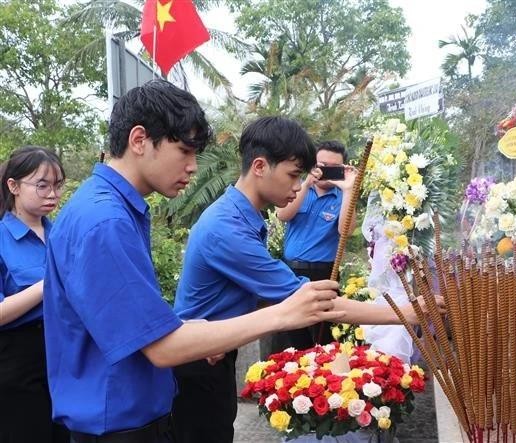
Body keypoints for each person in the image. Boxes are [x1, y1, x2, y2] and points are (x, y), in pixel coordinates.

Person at [42, 80, 342, 442]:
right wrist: (283, 313)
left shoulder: (109, 208)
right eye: (184, 151)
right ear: (139, 140)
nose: (193, 167)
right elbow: (163, 347)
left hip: (130, 410)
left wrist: (198, 331)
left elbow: (129, 317)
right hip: (119, 421)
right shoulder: (104, 221)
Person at [172, 116, 436, 442]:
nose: (298, 186)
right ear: (259, 166)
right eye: (293, 175)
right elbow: (314, 303)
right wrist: (405, 313)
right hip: (197, 365)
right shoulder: (227, 230)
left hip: (213, 351)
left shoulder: (240, 214)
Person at [0, 146, 69, 443]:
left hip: (64, 355)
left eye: (57, 185)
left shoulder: (61, 233)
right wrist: (47, 285)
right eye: (42, 185)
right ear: (13, 186)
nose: (51, 193)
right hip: (18, 362)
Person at [270, 140, 356, 352]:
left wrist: (348, 190)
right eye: (321, 165)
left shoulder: (342, 195)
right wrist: (307, 183)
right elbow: (283, 214)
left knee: (323, 339)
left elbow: (345, 231)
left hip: (324, 274)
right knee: (291, 337)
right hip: (291, 272)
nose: (325, 171)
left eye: (332, 167)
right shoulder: (299, 188)